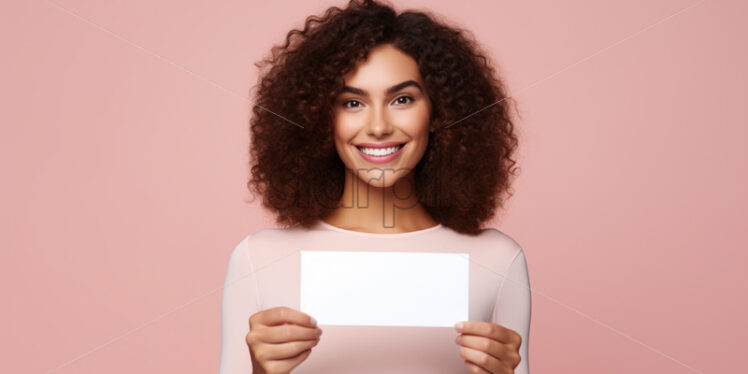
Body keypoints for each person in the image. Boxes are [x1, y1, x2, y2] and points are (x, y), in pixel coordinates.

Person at [220, 0, 531, 373]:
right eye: (353, 102)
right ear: (321, 118)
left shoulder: (498, 260)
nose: (379, 126)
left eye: (402, 99)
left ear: (439, 113)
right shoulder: (258, 259)